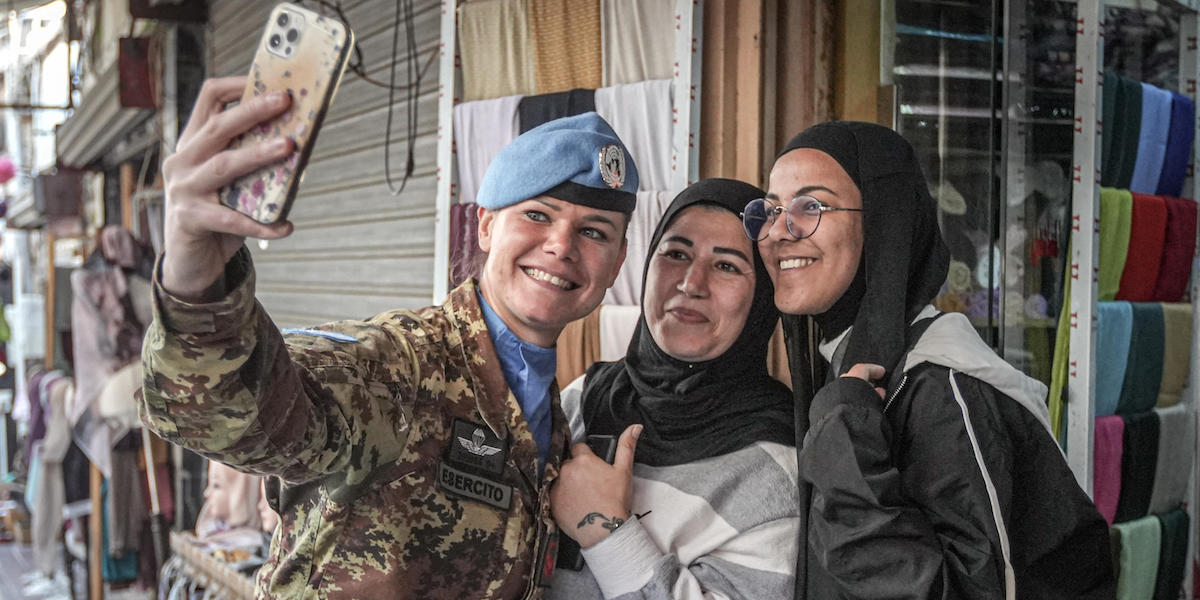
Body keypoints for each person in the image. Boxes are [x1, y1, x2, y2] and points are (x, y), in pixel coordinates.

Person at [140, 75, 639, 598]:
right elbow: (237, 413)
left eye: (594, 231)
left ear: (617, 263)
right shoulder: (402, 365)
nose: (562, 245)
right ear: (486, 227)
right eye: (538, 215)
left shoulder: (556, 418)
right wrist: (197, 283)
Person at [742, 120, 1115, 599]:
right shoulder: (855, 369)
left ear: (882, 221)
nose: (777, 233)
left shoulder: (944, 386)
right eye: (771, 210)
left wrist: (844, 452)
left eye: (810, 206)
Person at [547, 179, 798, 599]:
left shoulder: (773, 469)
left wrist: (606, 530)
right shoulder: (584, 398)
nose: (691, 283)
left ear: (762, 300)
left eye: (727, 266)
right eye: (676, 255)